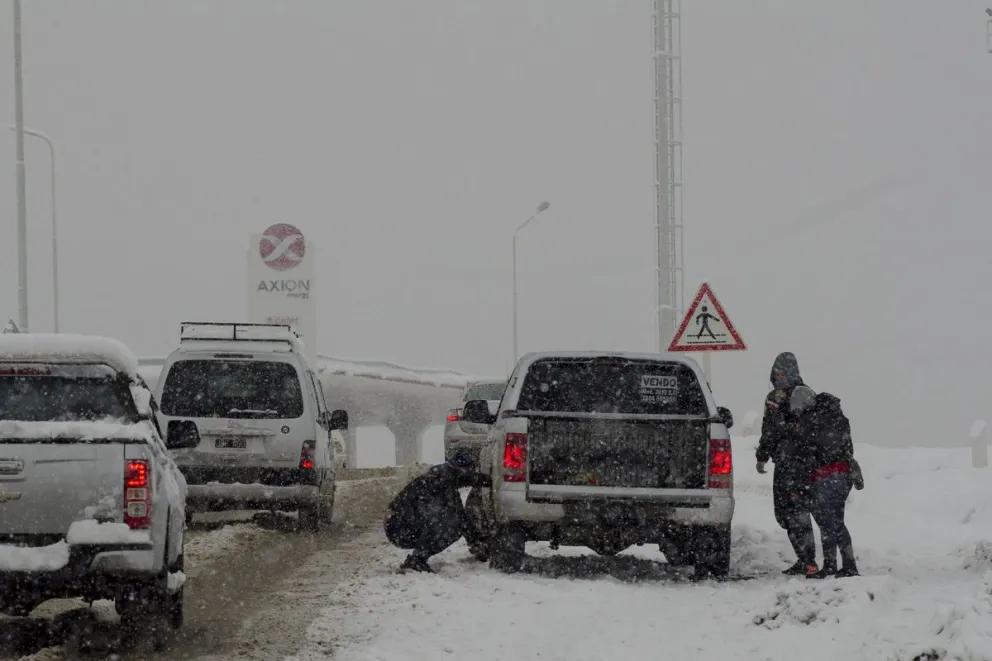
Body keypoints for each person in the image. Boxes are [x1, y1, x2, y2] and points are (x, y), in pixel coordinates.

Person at [755, 352, 818, 576]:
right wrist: (763, 455)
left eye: (784, 374)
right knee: (784, 512)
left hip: (798, 465)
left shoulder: (803, 395)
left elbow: (808, 430)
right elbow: (768, 430)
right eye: (777, 374)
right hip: (785, 463)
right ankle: (804, 558)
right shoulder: (777, 396)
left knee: (796, 511)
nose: (780, 378)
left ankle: (809, 560)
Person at [791, 388, 863, 579]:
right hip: (843, 476)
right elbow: (846, 448)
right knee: (836, 520)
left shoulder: (811, 421)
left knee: (827, 522)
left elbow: (807, 456)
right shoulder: (838, 418)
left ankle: (834, 564)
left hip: (825, 477)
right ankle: (847, 564)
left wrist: (800, 484)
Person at [384, 449, 492, 573]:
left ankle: (418, 558)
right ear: (463, 470)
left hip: (398, 523)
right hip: (399, 528)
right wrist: (477, 543)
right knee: (451, 527)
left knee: (445, 520)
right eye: (471, 470)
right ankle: (416, 560)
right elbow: (462, 519)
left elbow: (471, 480)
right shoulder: (445, 480)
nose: (471, 476)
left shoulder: (442, 474)